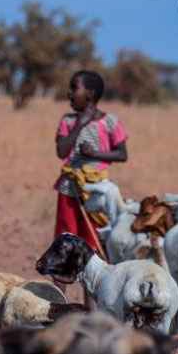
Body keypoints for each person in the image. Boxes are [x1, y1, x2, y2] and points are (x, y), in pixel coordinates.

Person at [52, 70, 127, 257]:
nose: (69, 93)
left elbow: (122, 154)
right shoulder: (68, 121)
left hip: (97, 189)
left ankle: (94, 275)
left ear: (90, 94)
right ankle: (63, 275)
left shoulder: (110, 122)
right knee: (66, 237)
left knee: (95, 238)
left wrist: (95, 154)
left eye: (74, 88)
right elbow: (61, 152)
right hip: (69, 188)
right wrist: (80, 125)